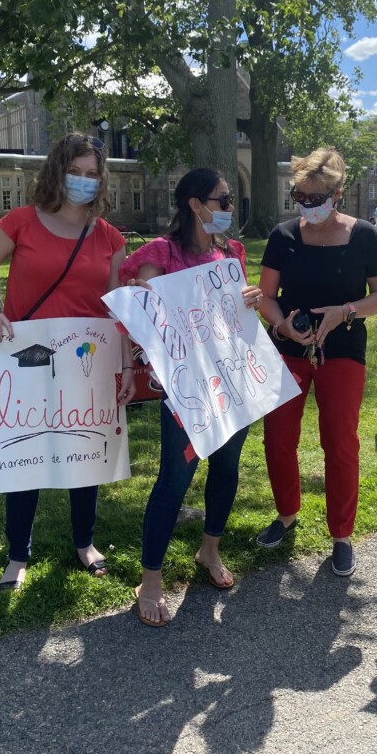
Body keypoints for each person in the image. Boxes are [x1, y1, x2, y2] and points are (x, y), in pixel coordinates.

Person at [0, 133, 136, 592]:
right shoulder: (20, 222)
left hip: (88, 360)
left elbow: (116, 310)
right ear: (57, 172)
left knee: (84, 452)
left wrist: (125, 369)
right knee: (25, 454)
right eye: (75, 171)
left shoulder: (109, 237)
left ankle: (85, 543)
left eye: (91, 174)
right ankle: (17, 553)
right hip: (30, 357)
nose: (82, 181)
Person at [118, 168, 262, 627]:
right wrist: (142, 296)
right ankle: (152, 578)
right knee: (175, 480)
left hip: (233, 379)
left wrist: (250, 299)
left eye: (230, 200)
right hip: (186, 391)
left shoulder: (231, 253)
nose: (229, 208)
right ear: (196, 205)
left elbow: (233, 313)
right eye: (223, 200)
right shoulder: (160, 254)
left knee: (227, 466)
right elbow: (137, 316)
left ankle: (209, 549)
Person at [256, 148, 377, 577]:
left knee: (339, 442)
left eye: (316, 198)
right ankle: (286, 515)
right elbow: (264, 296)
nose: (307, 206)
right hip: (290, 346)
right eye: (300, 196)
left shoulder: (365, 235)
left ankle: (341, 535)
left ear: (337, 194)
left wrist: (344, 311)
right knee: (278, 438)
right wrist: (281, 326)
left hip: (343, 346)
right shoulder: (283, 236)